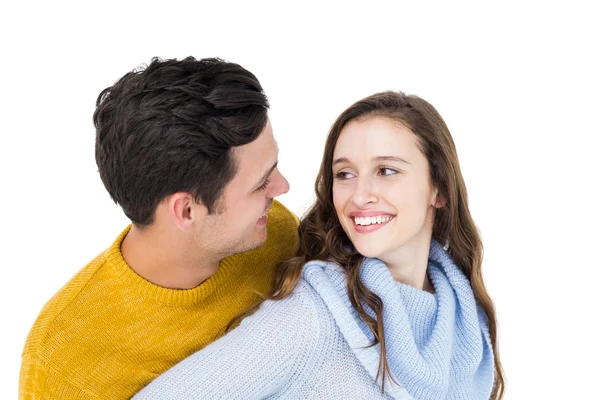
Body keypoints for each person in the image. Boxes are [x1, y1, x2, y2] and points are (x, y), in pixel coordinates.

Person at [133, 91, 505, 399]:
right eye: (344, 174)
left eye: (386, 171)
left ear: (438, 188)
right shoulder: (309, 318)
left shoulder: (464, 322)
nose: (359, 196)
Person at [19, 56, 298, 399]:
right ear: (186, 210)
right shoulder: (65, 364)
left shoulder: (277, 234)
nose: (282, 187)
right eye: (260, 183)